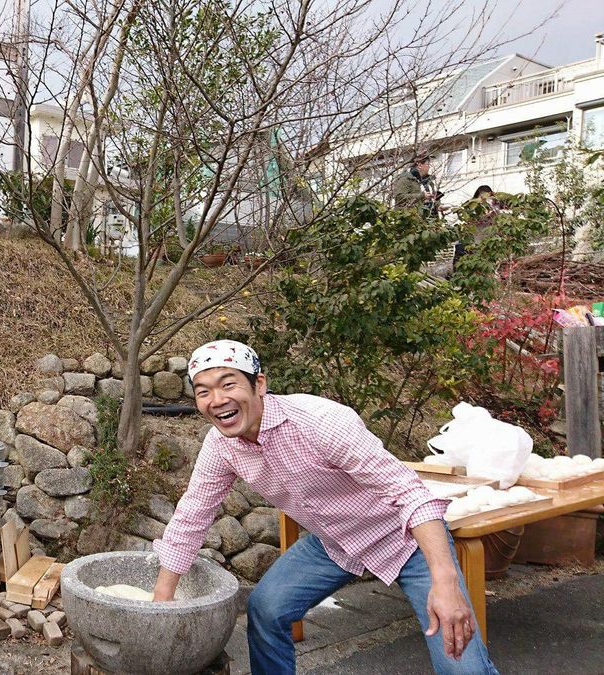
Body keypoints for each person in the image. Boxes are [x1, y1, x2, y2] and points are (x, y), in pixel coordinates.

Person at [151, 340, 498, 675]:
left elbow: (411, 493)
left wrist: (445, 581)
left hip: (403, 538)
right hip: (333, 542)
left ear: (259, 384)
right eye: (203, 391)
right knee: (267, 609)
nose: (217, 400)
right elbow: (192, 515)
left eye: (228, 384)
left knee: (460, 662)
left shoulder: (319, 422)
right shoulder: (221, 446)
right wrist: (162, 599)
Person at [454, 185, 495, 269]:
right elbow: (468, 222)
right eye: (481, 197)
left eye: (487, 197)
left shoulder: (495, 208)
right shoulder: (472, 207)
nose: (483, 200)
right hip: (474, 243)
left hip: (489, 245)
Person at [392, 153, 443, 219]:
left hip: (431, 223)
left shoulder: (430, 182)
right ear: (419, 165)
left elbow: (435, 198)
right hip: (412, 222)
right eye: (428, 164)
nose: (429, 167)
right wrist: (421, 196)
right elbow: (399, 197)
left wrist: (439, 206)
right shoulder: (406, 178)